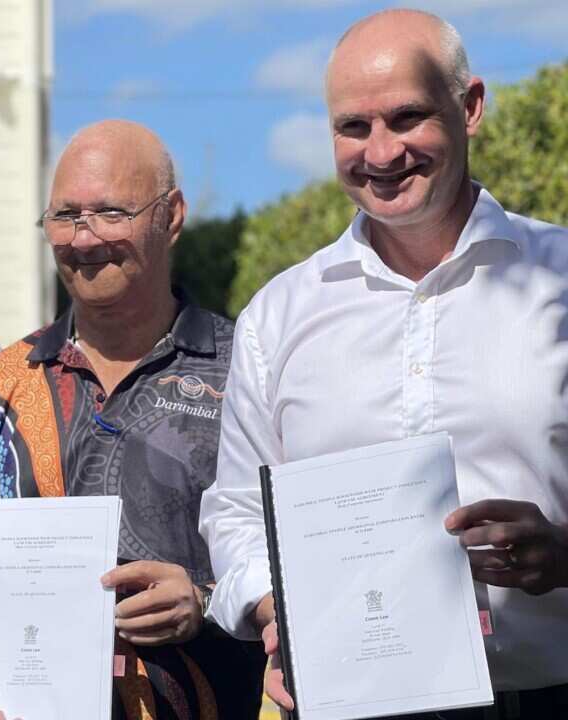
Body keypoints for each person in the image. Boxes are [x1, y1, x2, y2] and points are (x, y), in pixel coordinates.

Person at [200, 9, 568, 719]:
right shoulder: (278, 316)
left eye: (406, 117)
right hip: (351, 703)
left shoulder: (559, 281)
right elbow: (238, 515)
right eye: (353, 127)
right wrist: (275, 608)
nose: (382, 151)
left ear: (471, 108)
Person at [0, 120, 265, 720]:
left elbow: (299, 552)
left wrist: (205, 602)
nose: (83, 239)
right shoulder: (0, 385)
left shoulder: (247, 368)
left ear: (172, 215)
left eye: (110, 212)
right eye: (65, 216)